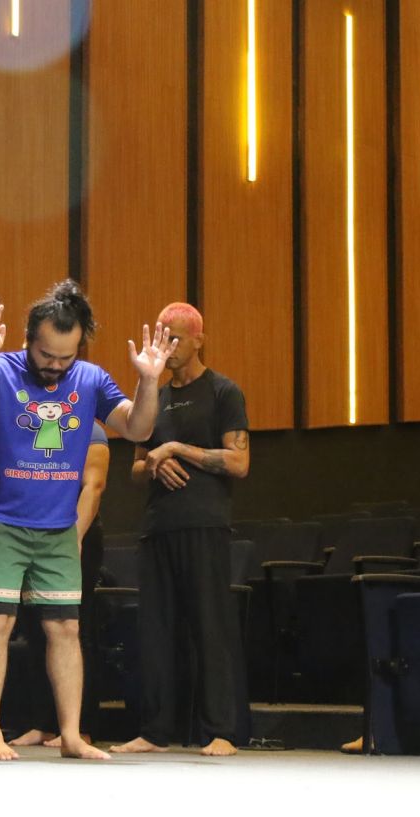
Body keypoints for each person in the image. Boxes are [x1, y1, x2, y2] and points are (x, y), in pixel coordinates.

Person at [0, 281, 176, 760]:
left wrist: (149, 382)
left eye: (65, 357)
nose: (54, 365)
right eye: (46, 354)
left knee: (66, 629)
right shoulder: (2, 370)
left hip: (57, 528)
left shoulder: (91, 379)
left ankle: (71, 735)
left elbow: (139, 427)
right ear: (28, 339)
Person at [109, 302, 250, 758]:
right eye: (162, 337)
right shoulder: (156, 396)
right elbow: (135, 467)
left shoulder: (224, 392)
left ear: (198, 340)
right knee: (155, 632)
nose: (167, 347)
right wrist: (155, 463)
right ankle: (155, 730)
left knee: (210, 628)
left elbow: (239, 462)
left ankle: (221, 730)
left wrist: (176, 448)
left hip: (204, 524)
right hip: (158, 527)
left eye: (175, 338)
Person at [8, 422, 109, 748]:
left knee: (74, 629)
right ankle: (44, 723)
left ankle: (81, 727)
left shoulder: (90, 429)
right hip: (32, 531)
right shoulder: (33, 427)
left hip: (75, 534)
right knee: (35, 629)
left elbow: (93, 486)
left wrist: (74, 538)